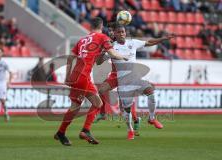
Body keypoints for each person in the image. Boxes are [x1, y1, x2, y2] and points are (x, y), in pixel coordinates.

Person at [54, 17, 128, 146]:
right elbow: (112, 53)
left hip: (76, 75)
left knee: (83, 105)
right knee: (92, 104)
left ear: (90, 26)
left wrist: (67, 77)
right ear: (102, 26)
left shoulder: (82, 40)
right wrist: (123, 57)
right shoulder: (102, 37)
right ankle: (83, 130)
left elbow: (70, 58)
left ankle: (64, 132)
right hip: (83, 76)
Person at [97, 24, 175, 140]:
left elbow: (149, 42)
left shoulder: (132, 43)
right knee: (127, 110)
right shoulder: (112, 48)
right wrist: (103, 52)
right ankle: (130, 130)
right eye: (119, 32)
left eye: (123, 31)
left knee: (151, 92)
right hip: (123, 82)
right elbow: (98, 62)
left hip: (135, 78)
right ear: (115, 34)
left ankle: (152, 118)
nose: (122, 34)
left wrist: (163, 39)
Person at [94, 22, 142, 137]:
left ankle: (135, 120)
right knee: (100, 90)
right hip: (114, 75)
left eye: (112, 30)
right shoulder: (109, 42)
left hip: (125, 75)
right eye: (110, 30)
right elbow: (100, 60)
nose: (111, 32)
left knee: (124, 105)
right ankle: (103, 113)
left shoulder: (122, 42)